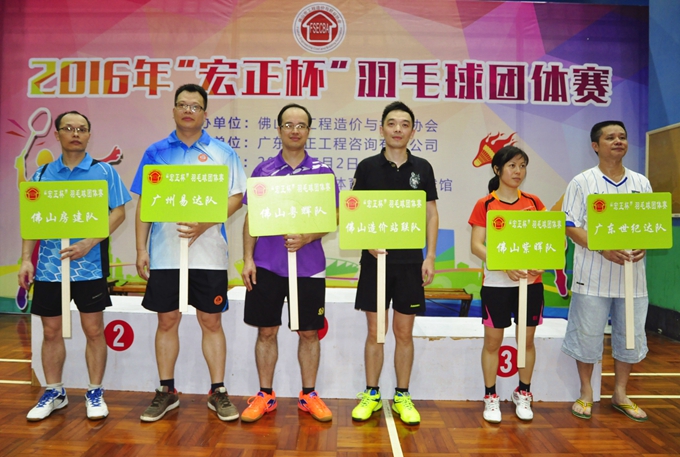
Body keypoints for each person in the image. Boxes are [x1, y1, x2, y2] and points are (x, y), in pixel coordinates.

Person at [132, 83, 247, 422]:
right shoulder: (156, 152)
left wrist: (204, 224)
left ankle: (218, 391)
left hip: (208, 253)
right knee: (167, 319)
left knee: (210, 320)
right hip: (166, 252)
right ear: (173, 110)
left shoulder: (222, 152)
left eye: (195, 106)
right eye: (182, 104)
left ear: (205, 113)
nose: (188, 110)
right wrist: (140, 248)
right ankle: (166, 391)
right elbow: (145, 203)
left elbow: (237, 197)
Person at [19, 111, 132, 421]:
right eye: (68, 128)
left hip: (89, 266)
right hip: (49, 268)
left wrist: (89, 243)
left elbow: (119, 213)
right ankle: (54, 391)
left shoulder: (103, 171)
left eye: (82, 129)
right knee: (51, 330)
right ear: (57, 134)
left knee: (94, 329)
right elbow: (32, 221)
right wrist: (26, 258)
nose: (76, 133)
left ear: (89, 135)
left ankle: (94, 391)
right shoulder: (42, 174)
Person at [240, 103, 338, 423]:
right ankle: (265, 395)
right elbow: (252, 218)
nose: (295, 130)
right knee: (266, 330)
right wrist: (248, 259)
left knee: (309, 332)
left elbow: (333, 217)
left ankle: (309, 394)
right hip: (267, 265)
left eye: (301, 125)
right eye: (288, 125)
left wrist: (308, 237)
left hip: (309, 267)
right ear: (279, 129)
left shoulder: (322, 172)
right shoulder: (263, 171)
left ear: (308, 130)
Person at [350, 101, 439, 426]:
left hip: (410, 263)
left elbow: (431, 214)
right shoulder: (367, 167)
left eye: (404, 124)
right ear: (382, 129)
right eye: (392, 123)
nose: (398, 129)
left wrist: (430, 256)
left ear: (412, 131)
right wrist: (366, 242)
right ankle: (371, 393)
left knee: (404, 331)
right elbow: (353, 211)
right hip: (375, 262)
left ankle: (402, 394)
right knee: (376, 331)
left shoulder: (423, 168)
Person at [561, 120, 650, 422]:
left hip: (632, 278)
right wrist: (602, 248)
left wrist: (645, 244)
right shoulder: (582, 182)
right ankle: (586, 392)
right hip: (593, 276)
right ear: (595, 146)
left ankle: (620, 393)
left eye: (622, 137)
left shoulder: (641, 183)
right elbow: (570, 225)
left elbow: (650, 225)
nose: (618, 141)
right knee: (586, 336)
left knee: (630, 338)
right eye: (610, 137)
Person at [468, 146, 546, 423]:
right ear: (497, 169)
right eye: (512, 165)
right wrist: (504, 264)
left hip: (531, 284)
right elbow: (477, 245)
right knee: (493, 342)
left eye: (522, 166)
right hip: (496, 284)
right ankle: (490, 396)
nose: (518, 171)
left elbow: (547, 240)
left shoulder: (534, 202)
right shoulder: (485, 204)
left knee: (526, 341)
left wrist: (542, 261)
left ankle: (523, 392)